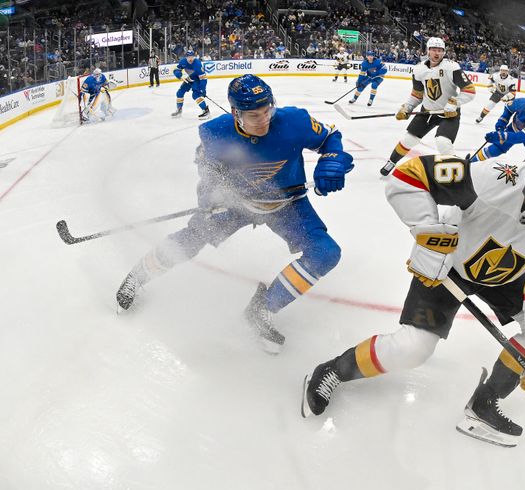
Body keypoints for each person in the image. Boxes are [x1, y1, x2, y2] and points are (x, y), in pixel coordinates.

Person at [302, 133, 525, 448]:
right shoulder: (494, 178)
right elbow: (407, 177)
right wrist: (430, 236)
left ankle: (483, 404)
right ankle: (332, 371)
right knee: (413, 349)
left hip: (503, 278)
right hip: (447, 265)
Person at [116, 74, 353, 353]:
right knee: (193, 237)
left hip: (287, 204)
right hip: (237, 205)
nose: (264, 119)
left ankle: (262, 309)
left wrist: (332, 160)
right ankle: (138, 275)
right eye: (254, 115)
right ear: (235, 113)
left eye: (268, 110)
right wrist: (209, 198)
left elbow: (329, 138)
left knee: (325, 252)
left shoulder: (295, 121)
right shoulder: (214, 133)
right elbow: (208, 170)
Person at [379, 37, 476, 177]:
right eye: (434, 50)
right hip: (427, 112)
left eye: (440, 50)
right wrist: (407, 107)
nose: (437, 53)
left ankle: (456, 173)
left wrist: (454, 103)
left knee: (443, 142)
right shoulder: (419, 70)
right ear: (428, 51)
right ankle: (391, 162)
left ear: (444, 52)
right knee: (408, 139)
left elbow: (469, 91)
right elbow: (417, 95)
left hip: (449, 114)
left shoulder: (451, 67)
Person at [471, 88, 525, 165]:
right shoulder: (519, 103)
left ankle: (522, 172)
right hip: (514, 128)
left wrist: (502, 136)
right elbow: (508, 109)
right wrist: (501, 125)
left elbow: (522, 137)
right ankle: (471, 162)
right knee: (496, 148)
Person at [171, 49, 210, 119]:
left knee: (195, 95)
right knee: (179, 93)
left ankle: (206, 111)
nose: (190, 58)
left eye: (192, 56)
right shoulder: (183, 61)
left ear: (194, 57)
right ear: (186, 57)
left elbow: (203, 78)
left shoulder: (197, 64)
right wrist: (178, 74)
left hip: (197, 79)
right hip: (189, 78)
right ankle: (179, 110)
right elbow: (176, 69)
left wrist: (203, 89)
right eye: (188, 57)